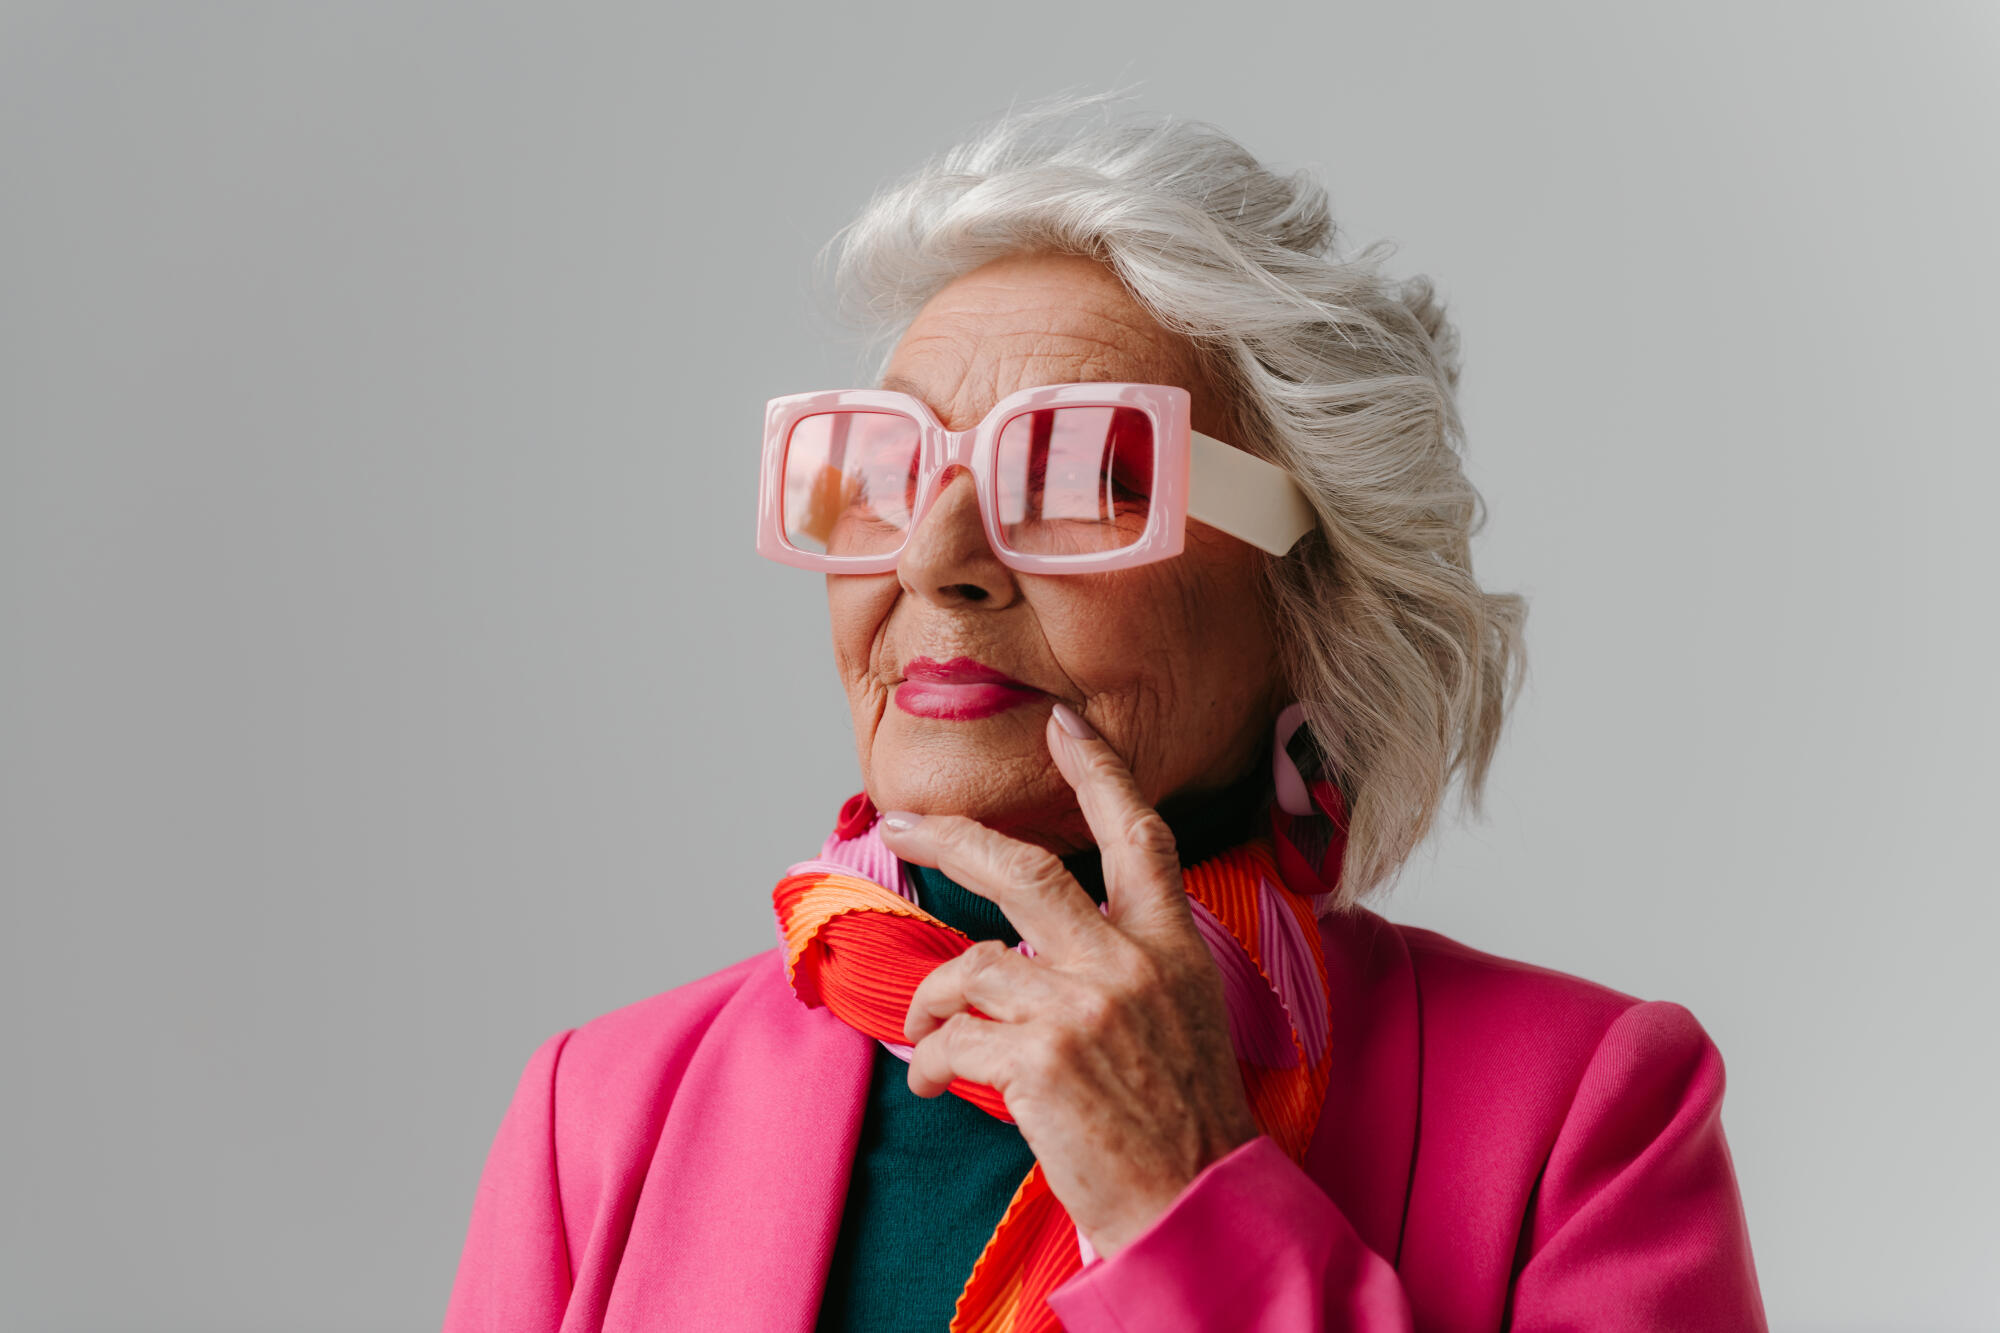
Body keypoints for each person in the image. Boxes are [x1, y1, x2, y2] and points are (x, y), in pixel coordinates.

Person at [442, 96, 1767, 1332]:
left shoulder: (1588, 1114)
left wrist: (1185, 1197)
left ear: (1307, 589)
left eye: (1078, 471)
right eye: (885, 467)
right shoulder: (598, 1112)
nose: (933, 556)